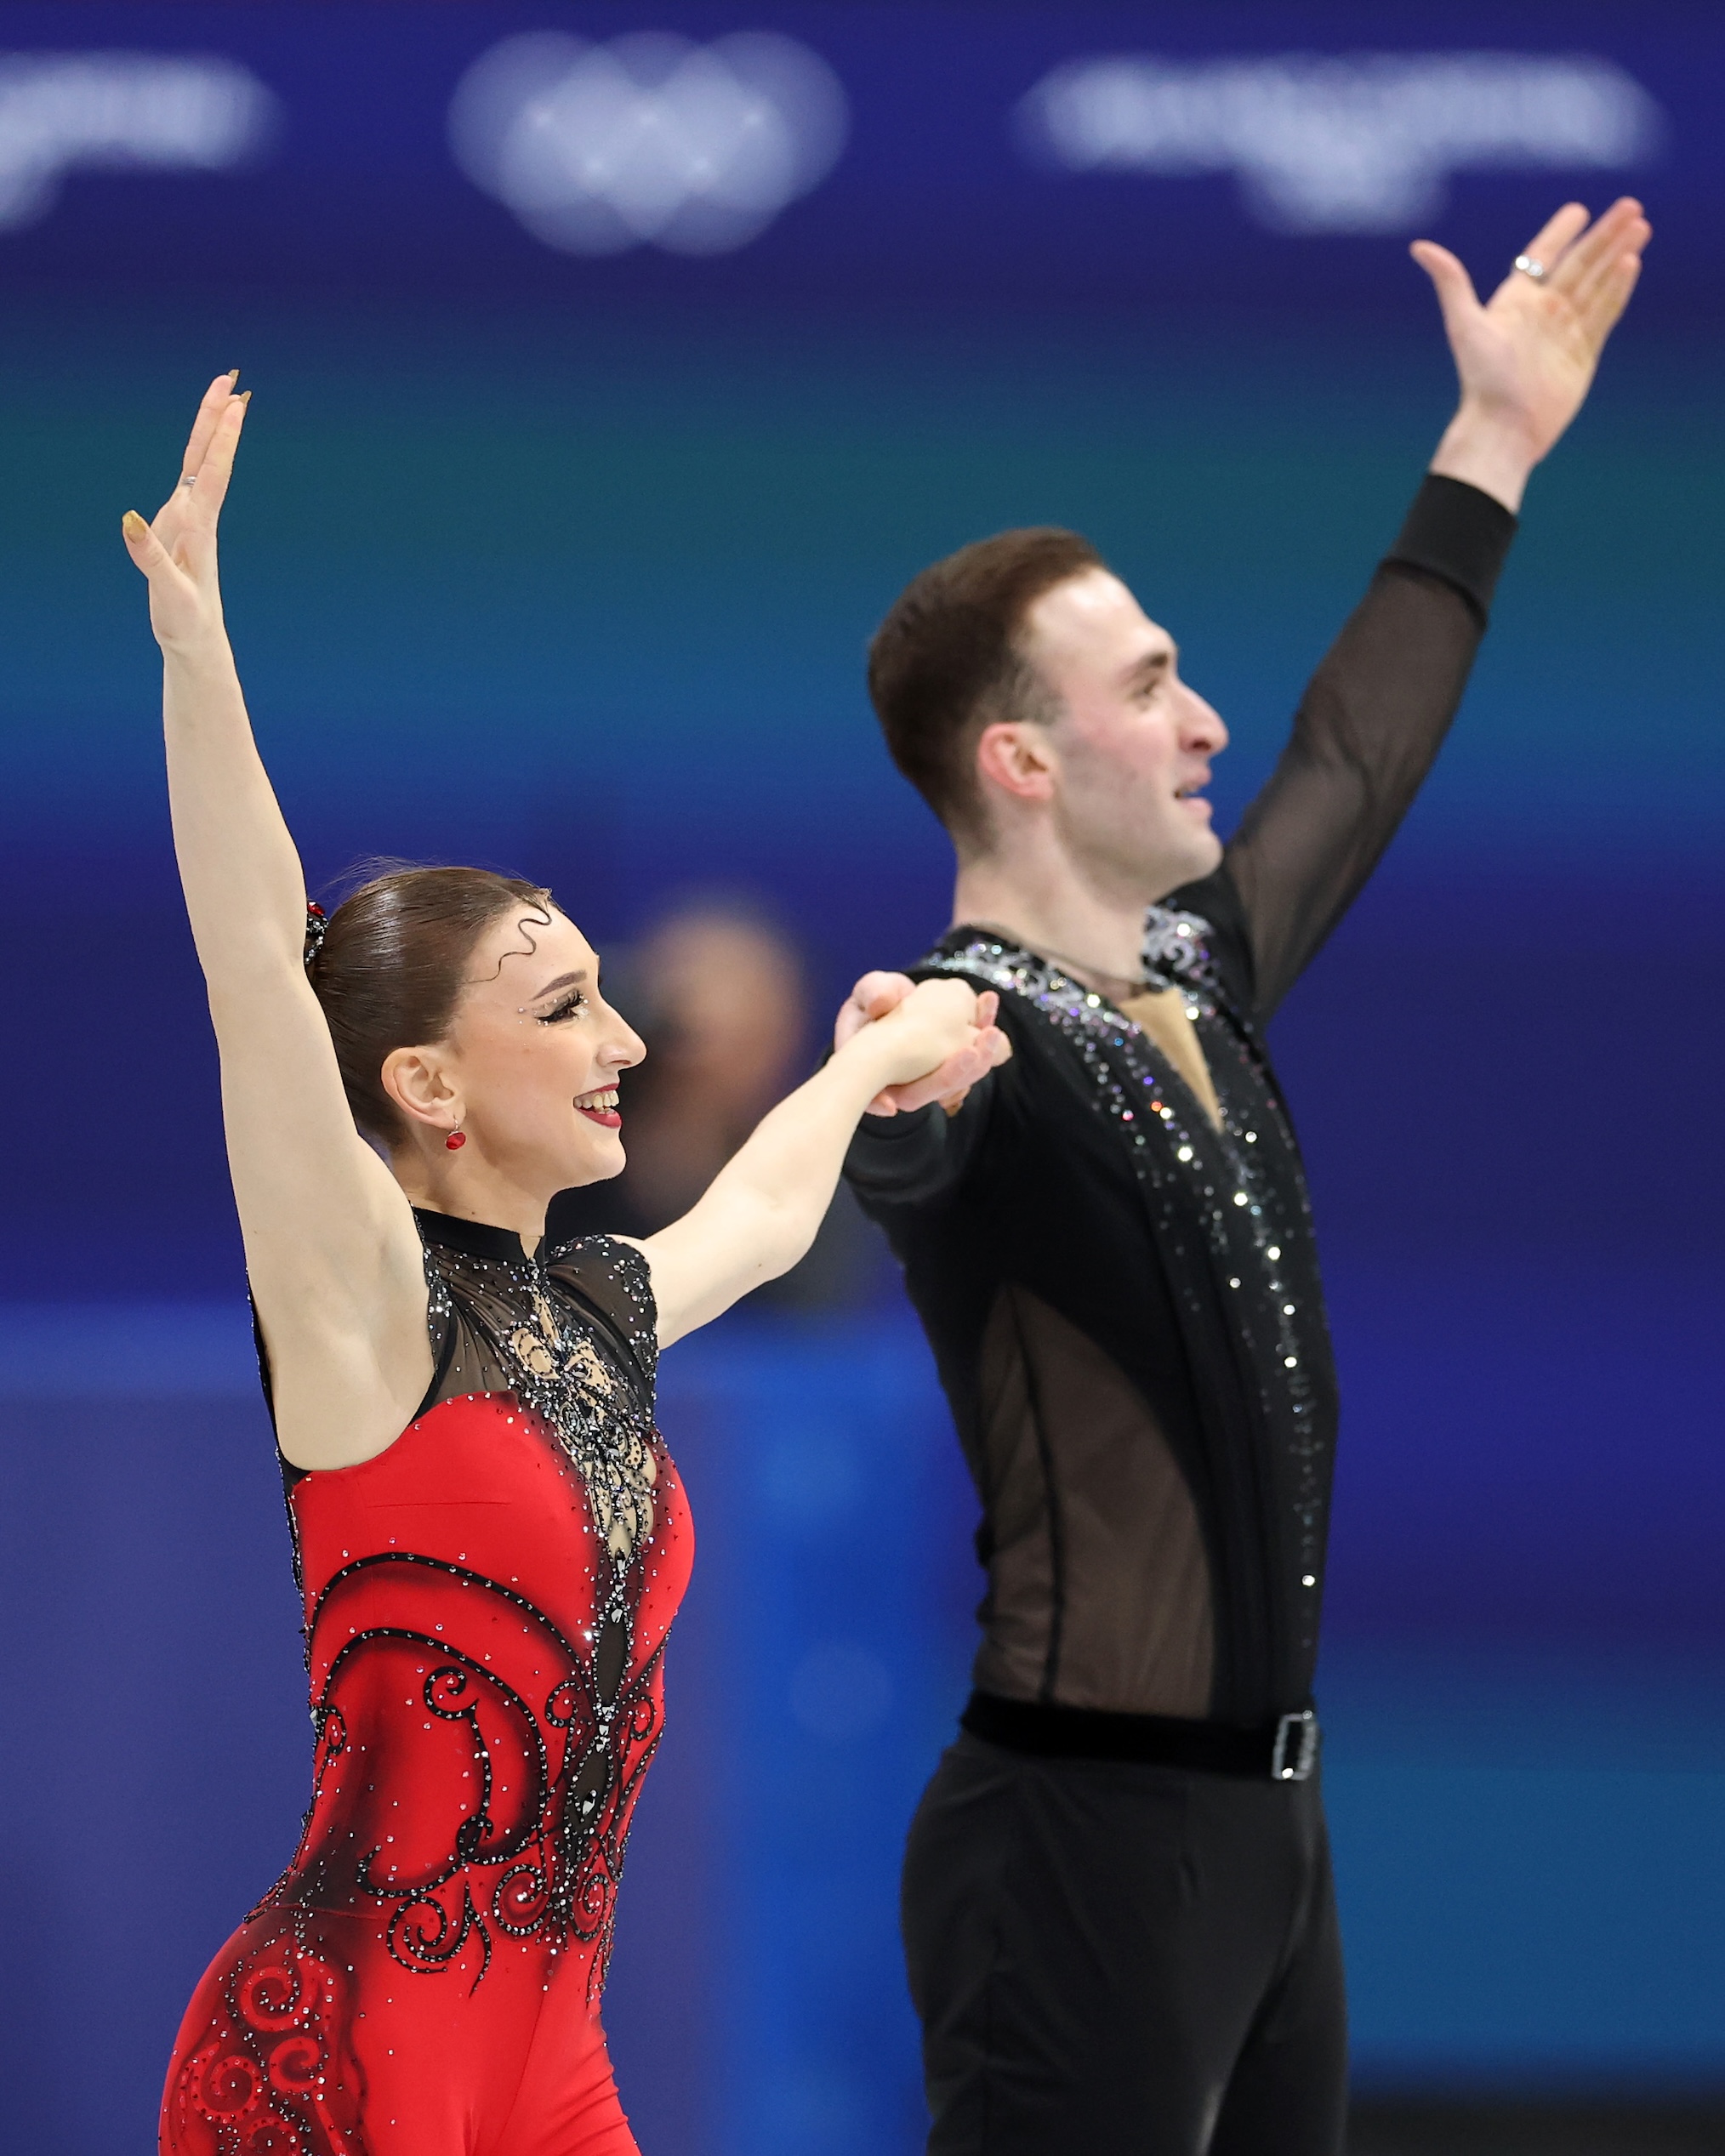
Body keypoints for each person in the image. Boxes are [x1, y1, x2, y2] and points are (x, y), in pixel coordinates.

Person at [834, 200, 1651, 2155]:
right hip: (1076, 1846)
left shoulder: (1191, 968)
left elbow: (1347, 763)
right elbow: (913, 1157)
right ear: (1019, 762)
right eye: (1147, 684)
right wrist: (895, 1118)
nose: (1201, 721)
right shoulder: (971, 1031)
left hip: (1265, 1838)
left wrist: (1493, 445)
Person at [124, 377, 1006, 2156]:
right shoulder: (363, 1304)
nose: (624, 1037)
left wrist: (864, 1058)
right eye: (563, 1005)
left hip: (550, 2058)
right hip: (341, 2058)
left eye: (607, 991)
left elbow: (754, 1224)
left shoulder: (589, 1310)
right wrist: (198, 646)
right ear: (427, 1084)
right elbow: (251, 963)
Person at [549, 900, 889, 1310]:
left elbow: (812, 1337)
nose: (695, 1034)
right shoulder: (557, 1175)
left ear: (783, 1039)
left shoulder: (816, 1194)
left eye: (748, 1022)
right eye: (671, 1000)